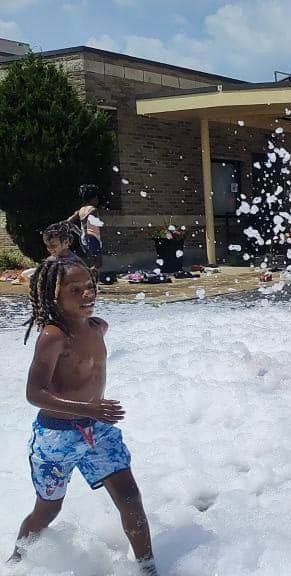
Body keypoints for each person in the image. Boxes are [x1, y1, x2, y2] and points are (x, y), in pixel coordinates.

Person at [11, 258, 158, 575]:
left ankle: (149, 569)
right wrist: (88, 408)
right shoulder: (53, 337)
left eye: (90, 287)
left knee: (130, 498)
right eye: (75, 289)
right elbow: (34, 393)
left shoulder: (98, 327)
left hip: (99, 431)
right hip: (56, 436)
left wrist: (94, 413)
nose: (86, 294)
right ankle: (16, 562)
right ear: (55, 296)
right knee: (48, 510)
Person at [67, 185, 104, 271]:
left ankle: (89, 277)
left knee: (94, 262)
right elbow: (92, 222)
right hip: (92, 238)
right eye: (97, 198)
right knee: (98, 263)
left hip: (84, 239)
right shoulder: (93, 210)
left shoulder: (81, 210)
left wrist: (78, 231)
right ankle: (87, 276)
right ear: (93, 198)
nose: (97, 201)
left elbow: (68, 221)